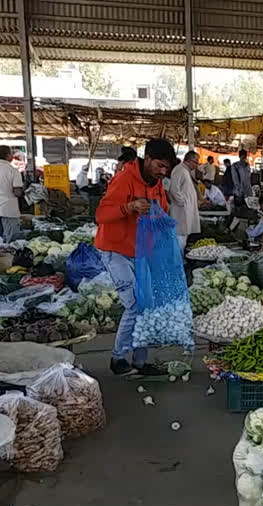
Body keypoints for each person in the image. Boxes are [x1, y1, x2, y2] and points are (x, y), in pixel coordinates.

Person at [95, 138, 176, 376]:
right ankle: (118, 358)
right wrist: (129, 207)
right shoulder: (124, 179)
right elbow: (101, 215)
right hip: (115, 250)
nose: (163, 172)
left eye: (167, 168)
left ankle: (140, 361)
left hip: (142, 252)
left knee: (147, 305)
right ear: (147, 159)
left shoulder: (157, 184)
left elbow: (162, 211)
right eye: (160, 165)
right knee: (135, 304)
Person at [168, 151, 201, 251]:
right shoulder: (180, 170)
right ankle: (178, 259)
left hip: (185, 209)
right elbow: (174, 189)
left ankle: (180, 257)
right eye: (196, 162)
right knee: (179, 238)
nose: (196, 165)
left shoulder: (185, 171)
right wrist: (182, 202)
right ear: (190, 160)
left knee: (183, 238)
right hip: (181, 210)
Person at [0, 146, 23, 242]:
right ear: (8, 155)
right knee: (10, 240)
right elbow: (17, 192)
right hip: (8, 209)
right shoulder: (13, 170)